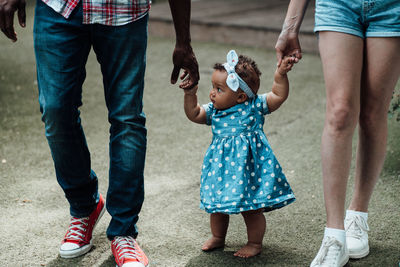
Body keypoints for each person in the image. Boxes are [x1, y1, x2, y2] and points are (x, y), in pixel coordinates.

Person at [0, 0, 199, 266]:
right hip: (59, 8)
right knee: (56, 110)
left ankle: (124, 231)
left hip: (124, 11)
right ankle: (85, 206)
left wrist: (183, 39)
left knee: (127, 118)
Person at [276, 0, 400, 266]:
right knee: (340, 111)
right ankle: (334, 235)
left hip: (393, 7)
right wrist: (290, 24)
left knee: (372, 113)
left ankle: (357, 215)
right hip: (339, 4)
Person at [182, 49, 297, 258]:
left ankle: (254, 242)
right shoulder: (215, 111)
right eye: (213, 87)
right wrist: (190, 94)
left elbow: (278, 95)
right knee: (216, 206)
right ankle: (218, 237)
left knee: (251, 208)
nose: (212, 93)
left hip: (249, 169)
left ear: (242, 96)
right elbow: (195, 113)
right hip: (221, 168)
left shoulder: (253, 106)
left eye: (219, 89)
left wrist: (280, 75)